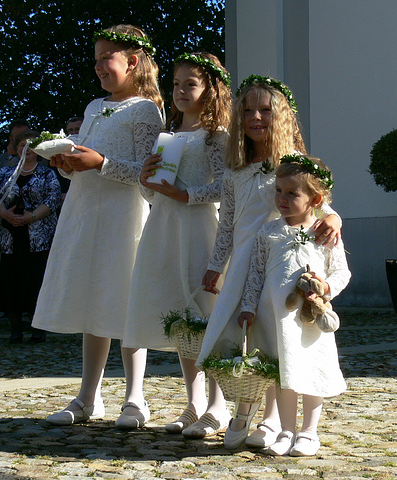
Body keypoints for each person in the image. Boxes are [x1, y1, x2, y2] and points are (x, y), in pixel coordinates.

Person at [196, 75, 342, 449]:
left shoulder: (292, 167)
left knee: (279, 338)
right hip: (245, 263)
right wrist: (216, 264)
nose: (254, 117)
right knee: (243, 337)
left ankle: (273, 420)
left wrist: (335, 219)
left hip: (282, 264)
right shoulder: (235, 172)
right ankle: (241, 408)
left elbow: (321, 205)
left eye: (264, 110)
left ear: (281, 117)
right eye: (246, 110)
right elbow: (227, 226)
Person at [32, 24, 164, 425]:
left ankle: (135, 397)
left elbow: (148, 173)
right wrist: (68, 163)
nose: (99, 67)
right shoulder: (93, 107)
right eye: (96, 60)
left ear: (133, 61)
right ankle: (88, 396)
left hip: (124, 217)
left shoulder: (145, 110)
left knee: (125, 300)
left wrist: (101, 163)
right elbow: (86, 162)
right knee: (94, 298)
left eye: (107, 58)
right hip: (87, 212)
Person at [122, 52, 231, 434]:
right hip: (164, 227)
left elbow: (224, 185)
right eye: (177, 84)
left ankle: (218, 404)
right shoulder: (166, 135)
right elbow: (155, 193)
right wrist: (146, 181)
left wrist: (189, 196)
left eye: (191, 83)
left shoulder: (217, 136)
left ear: (209, 89)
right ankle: (194, 401)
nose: (181, 91)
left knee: (203, 311)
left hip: (199, 226)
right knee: (179, 317)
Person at [238, 154, 350, 456]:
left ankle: (309, 432)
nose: (282, 199)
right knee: (282, 375)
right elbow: (256, 274)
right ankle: (286, 430)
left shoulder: (323, 234)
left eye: (291, 193)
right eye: (278, 191)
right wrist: (248, 306)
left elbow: (341, 272)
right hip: (273, 317)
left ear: (314, 199)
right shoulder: (269, 232)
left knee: (311, 370)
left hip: (309, 319)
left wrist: (326, 288)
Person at [0, 130, 61, 343]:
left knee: (36, 282)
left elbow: (53, 199)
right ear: (16, 148)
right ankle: (15, 330)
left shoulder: (48, 174)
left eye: (31, 146)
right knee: (11, 282)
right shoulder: (5, 173)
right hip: (10, 238)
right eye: (22, 146)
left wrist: (31, 217)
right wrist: (5, 213)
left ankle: (38, 329)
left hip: (39, 238)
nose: (26, 150)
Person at [0, 119, 30, 334]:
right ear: (11, 139)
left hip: (31, 224)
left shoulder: (39, 161)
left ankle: (28, 315)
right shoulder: (0, 160)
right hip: (1, 224)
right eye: (17, 138)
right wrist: (13, 164)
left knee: (26, 271)